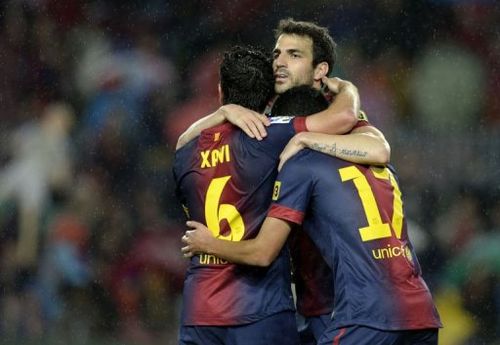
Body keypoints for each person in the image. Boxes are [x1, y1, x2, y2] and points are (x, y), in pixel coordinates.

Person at [181, 85, 442, 345]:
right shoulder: (374, 156)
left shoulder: (302, 165)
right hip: (420, 310)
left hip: (366, 314)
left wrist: (208, 243)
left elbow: (262, 253)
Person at [173, 44, 387, 344]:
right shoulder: (271, 134)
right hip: (259, 308)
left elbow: (183, 140)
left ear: (221, 92)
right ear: (271, 99)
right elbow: (343, 118)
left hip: (199, 310)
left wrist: (221, 113)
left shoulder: (185, 152)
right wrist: (347, 88)